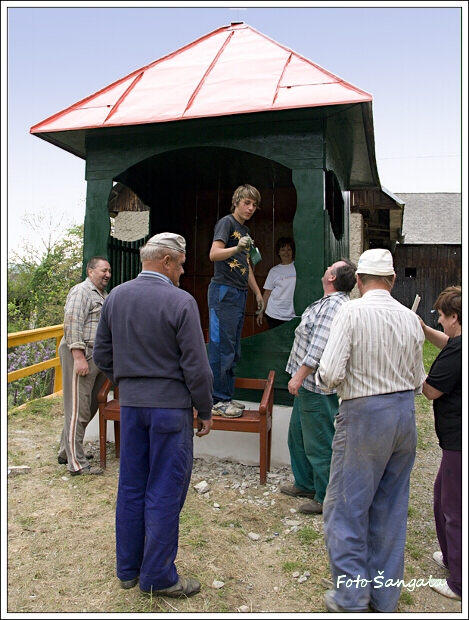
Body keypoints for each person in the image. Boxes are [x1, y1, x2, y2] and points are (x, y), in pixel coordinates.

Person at [93, 232, 213, 599]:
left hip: (131, 408)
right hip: (170, 411)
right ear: (166, 261)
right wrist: (205, 408)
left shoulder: (116, 297)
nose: (182, 271)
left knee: (131, 485)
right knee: (164, 489)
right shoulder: (181, 301)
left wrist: (129, 383)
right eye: (181, 264)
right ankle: (157, 576)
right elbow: (197, 366)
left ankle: (128, 570)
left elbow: (101, 354)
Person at [315, 248, 426, 613]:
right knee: (390, 510)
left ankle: (351, 597)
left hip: (364, 414)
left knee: (345, 508)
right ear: (392, 280)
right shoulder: (409, 318)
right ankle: (383, 598)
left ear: (359, 281)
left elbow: (330, 373)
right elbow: (418, 380)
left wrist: (331, 381)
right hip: (403, 415)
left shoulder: (351, 311)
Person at [280, 259, 356, 515]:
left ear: (333, 277)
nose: (325, 270)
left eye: (330, 268)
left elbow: (319, 345)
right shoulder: (329, 302)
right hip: (307, 386)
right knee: (298, 436)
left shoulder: (334, 305)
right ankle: (305, 484)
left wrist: (299, 376)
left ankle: (325, 496)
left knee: (319, 442)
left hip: (315, 386)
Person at [208, 184, 264, 418]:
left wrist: (257, 293)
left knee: (233, 349)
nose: (250, 208)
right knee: (221, 346)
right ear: (236, 202)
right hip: (224, 291)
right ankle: (216, 400)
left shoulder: (245, 230)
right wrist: (236, 247)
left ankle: (226, 397)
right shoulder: (227, 223)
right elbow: (213, 254)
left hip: (239, 292)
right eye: (246, 203)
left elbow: (246, 264)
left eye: (254, 205)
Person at [421, 286, 462, 601]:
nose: (439, 320)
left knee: (454, 509)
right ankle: (450, 557)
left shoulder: (458, 352)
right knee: (440, 496)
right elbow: (447, 341)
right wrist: (422, 330)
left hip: (457, 441)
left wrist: (412, 368)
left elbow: (431, 391)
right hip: (455, 441)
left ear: (455, 317)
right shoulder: (458, 344)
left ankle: (460, 582)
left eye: (442, 316)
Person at [57, 256, 112, 476]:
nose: (107, 274)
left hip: (96, 356)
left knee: (89, 406)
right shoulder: (82, 291)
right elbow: (72, 323)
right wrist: (78, 356)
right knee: (77, 409)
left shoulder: (103, 295)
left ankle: (66, 451)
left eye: (109, 271)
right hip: (81, 354)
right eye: (103, 270)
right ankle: (76, 464)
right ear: (90, 272)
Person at [256, 236, 297, 329]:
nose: (286, 253)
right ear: (278, 252)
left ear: (293, 251)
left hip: (293, 314)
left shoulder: (298, 268)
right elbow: (267, 293)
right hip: (274, 313)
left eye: (289, 249)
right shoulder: (274, 271)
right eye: (282, 250)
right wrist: (261, 312)